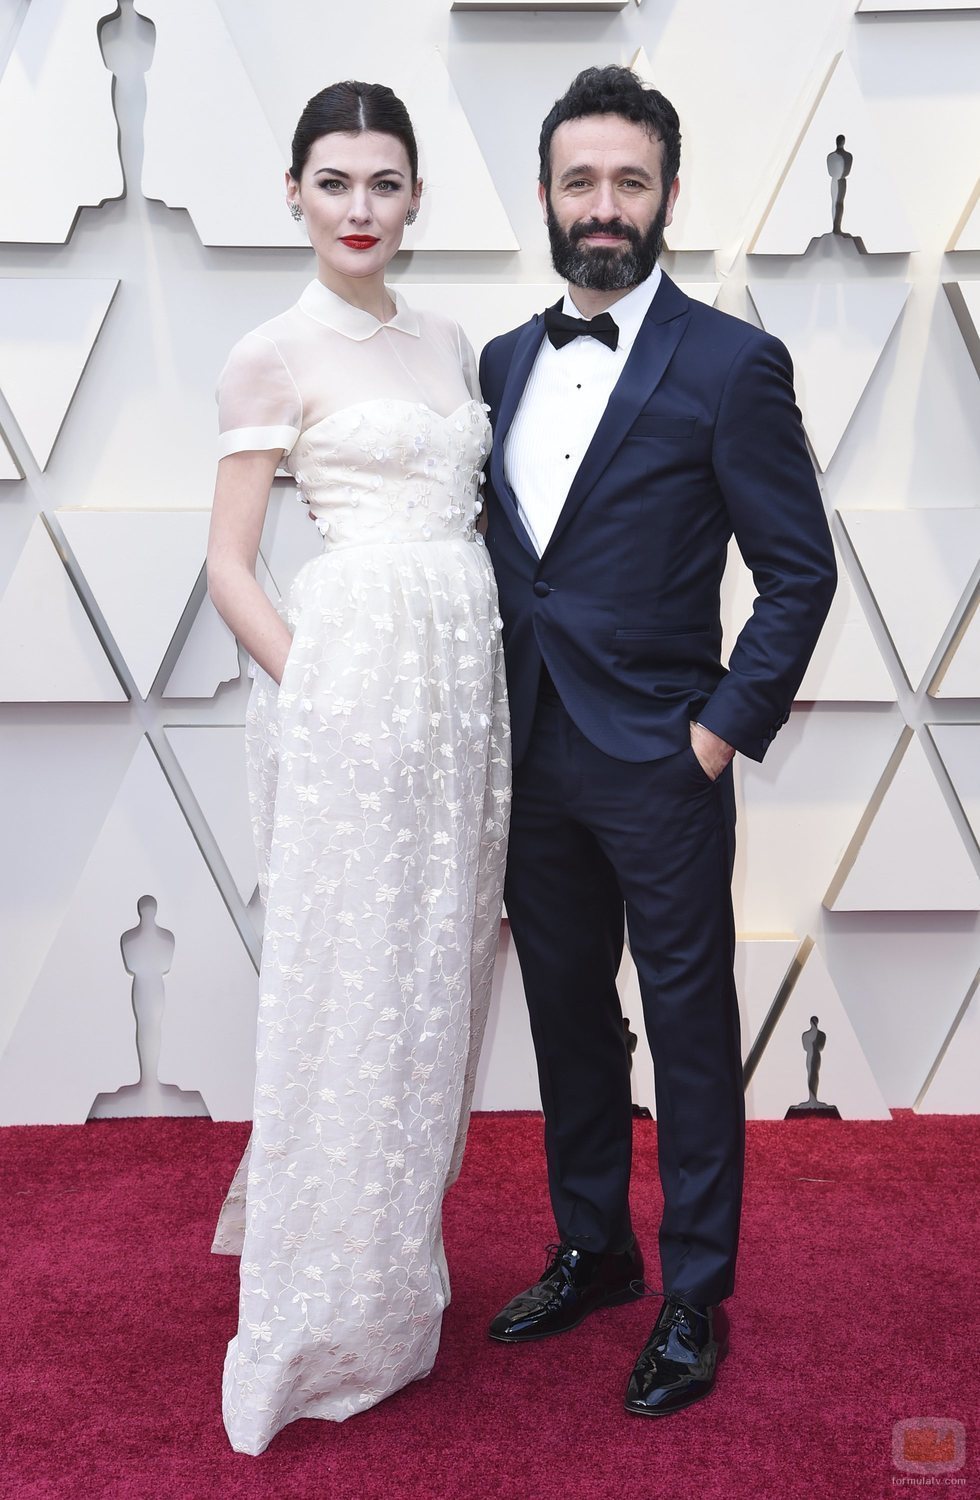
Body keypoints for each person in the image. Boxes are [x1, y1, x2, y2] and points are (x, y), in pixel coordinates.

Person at [479, 66, 836, 1417]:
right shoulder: (504, 363)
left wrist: (716, 736)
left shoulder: (733, 362)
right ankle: (596, 1249)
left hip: (662, 764)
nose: (606, 206)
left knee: (688, 1030)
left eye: (632, 180)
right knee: (570, 1018)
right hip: (532, 754)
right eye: (582, 181)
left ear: (669, 195)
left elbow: (798, 573)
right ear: (547, 198)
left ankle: (695, 1295)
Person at [205, 80, 510, 1456]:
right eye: (335, 182)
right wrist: (322, 697)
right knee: (354, 984)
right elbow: (228, 565)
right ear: (294, 194)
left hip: (466, 702)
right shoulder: (271, 352)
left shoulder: (451, 339)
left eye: (385, 183)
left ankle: (396, 1278)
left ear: (416, 197)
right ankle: (319, 1305)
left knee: (437, 979)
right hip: (357, 698)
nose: (361, 209)